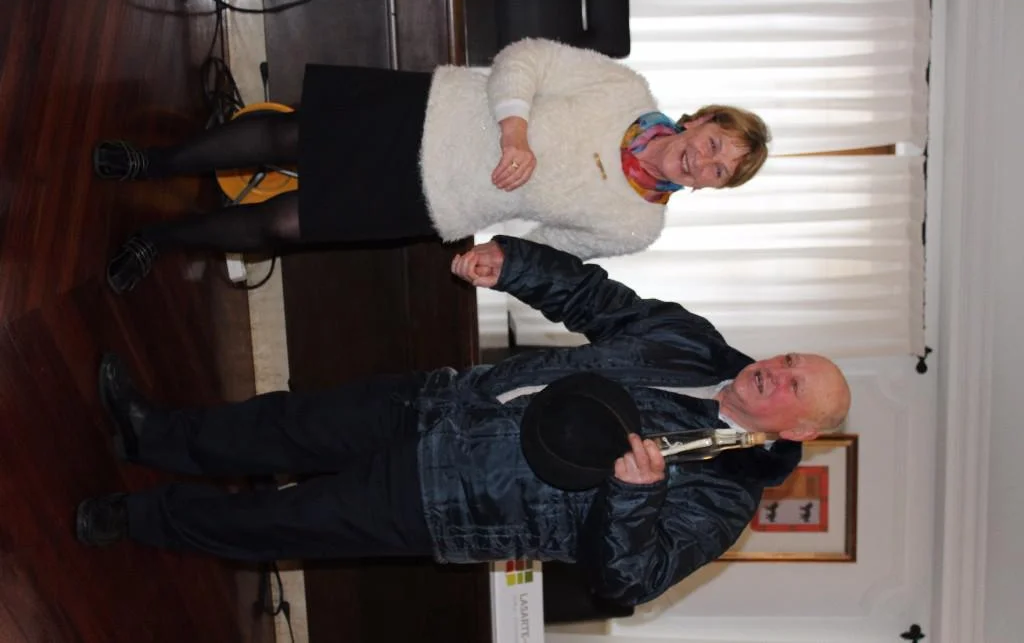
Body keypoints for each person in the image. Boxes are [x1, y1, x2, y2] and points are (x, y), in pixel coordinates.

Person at [76, 236, 849, 606]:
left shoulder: (722, 498)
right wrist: (514, 266)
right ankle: (151, 433)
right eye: (788, 357)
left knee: (279, 521)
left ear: (797, 431)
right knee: (283, 425)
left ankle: (139, 517)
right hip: (440, 400)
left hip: (445, 500)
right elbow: (596, 300)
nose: (774, 370)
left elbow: (628, 580)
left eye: (792, 385)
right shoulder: (693, 342)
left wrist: (635, 496)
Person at [94, 38, 770, 293]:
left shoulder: (638, 227)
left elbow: (551, 252)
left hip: (433, 201)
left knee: (282, 227)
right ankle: (151, 162)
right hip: (426, 114)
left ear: (708, 188)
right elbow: (526, 57)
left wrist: (500, 260)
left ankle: (158, 239)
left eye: (719, 172)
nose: (705, 162)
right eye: (716, 144)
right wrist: (514, 127)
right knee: (283, 139)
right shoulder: (625, 89)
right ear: (702, 120)